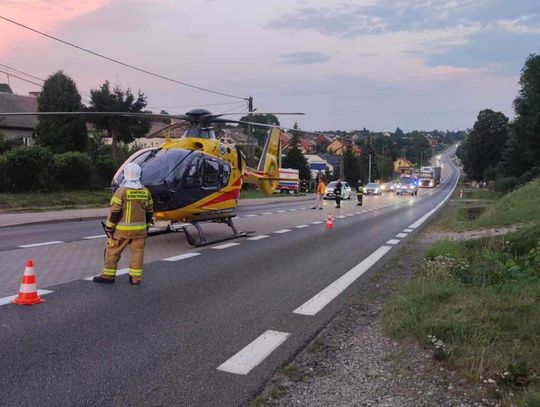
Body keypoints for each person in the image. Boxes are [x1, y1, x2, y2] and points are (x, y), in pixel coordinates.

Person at [93, 162, 153, 285]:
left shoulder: (121, 191)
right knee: (138, 253)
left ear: (125, 175)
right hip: (140, 231)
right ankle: (135, 278)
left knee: (112, 251)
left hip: (122, 231)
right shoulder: (146, 191)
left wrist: (109, 227)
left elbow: (115, 212)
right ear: (139, 175)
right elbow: (149, 212)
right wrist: (146, 227)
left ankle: (108, 277)